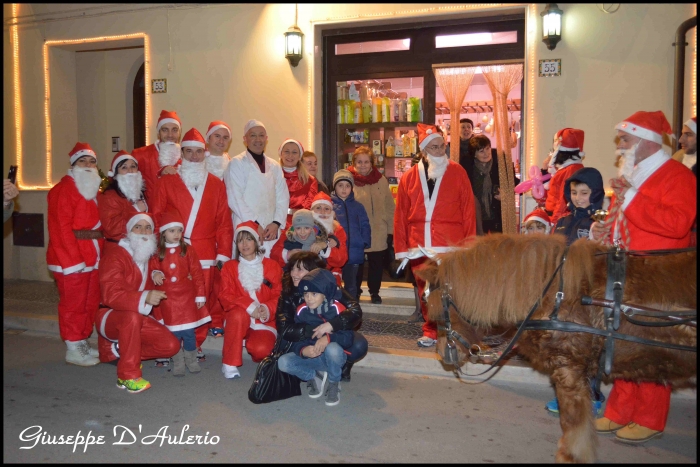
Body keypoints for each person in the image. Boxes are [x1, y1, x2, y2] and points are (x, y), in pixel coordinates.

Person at [591, 110, 697, 443]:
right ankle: (619, 410)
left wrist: (633, 198)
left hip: (659, 276)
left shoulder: (678, 176)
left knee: (651, 347)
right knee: (623, 342)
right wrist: (603, 232)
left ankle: (650, 417)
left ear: (645, 142)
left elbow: (678, 223)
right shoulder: (633, 175)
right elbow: (622, 222)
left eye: (624, 139)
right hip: (629, 272)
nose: (619, 145)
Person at [151, 128, 233, 363]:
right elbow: (157, 217)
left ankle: (194, 343)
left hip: (205, 252)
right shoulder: (167, 182)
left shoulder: (216, 184)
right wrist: (158, 251)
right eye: (189, 152)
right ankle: (167, 344)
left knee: (201, 298)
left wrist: (223, 253)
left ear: (205, 153)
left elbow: (224, 223)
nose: (195, 157)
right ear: (182, 153)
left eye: (199, 152)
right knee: (171, 299)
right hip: (173, 251)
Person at [394, 123, 477, 347]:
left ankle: (452, 330)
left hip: (451, 243)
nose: (440, 151)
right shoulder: (409, 178)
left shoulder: (458, 172)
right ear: (424, 150)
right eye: (434, 147)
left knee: (451, 290)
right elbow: (400, 214)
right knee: (426, 291)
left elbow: (469, 211)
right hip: (419, 244)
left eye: (442, 146)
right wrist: (401, 249)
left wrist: (469, 245)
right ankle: (430, 330)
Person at [95, 212, 180, 393]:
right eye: (138, 227)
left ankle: (119, 350)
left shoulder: (148, 257)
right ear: (129, 231)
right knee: (132, 316)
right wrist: (144, 297)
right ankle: (127, 376)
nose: (143, 231)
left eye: (148, 227)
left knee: (170, 345)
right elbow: (111, 294)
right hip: (109, 316)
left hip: (136, 317)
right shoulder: (115, 255)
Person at [46, 142, 104, 366]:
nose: (88, 165)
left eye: (92, 161)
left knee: (90, 301)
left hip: (93, 254)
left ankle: (82, 341)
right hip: (72, 257)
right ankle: (73, 344)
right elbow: (60, 228)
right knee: (73, 302)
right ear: (73, 165)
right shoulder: (62, 190)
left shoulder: (94, 190)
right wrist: (72, 261)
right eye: (83, 161)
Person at [276, 251, 368, 382]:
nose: (294, 274)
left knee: (358, 344)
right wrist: (311, 331)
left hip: (330, 331)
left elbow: (355, 310)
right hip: (302, 334)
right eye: (292, 269)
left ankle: (341, 365)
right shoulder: (287, 292)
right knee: (282, 345)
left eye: (300, 270)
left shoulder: (327, 286)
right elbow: (283, 327)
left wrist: (332, 324)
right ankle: (315, 369)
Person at [278, 268, 353, 406]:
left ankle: (334, 382)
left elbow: (348, 338)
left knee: (333, 349)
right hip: (313, 357)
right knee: (283, 362)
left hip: (333, 357)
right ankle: (314, 376)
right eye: (306, 294)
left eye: (314, 294)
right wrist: (303, 349)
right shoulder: (302, 310)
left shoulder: (337, 308)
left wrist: (329, 338)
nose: (309, 298)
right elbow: (297, 338)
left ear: (325, 294)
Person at [149, 211, 210, 377]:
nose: (176, 234)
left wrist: (200, 295)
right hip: (169, 299)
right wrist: (155, 273)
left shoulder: (187, 250)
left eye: (179, 231)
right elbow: (152, 266)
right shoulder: (157, 252)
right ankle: (178, 361)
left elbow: (197, 272)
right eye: (172, 230)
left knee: (189, 333)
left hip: (186, 297)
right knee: (174, 333)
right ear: (163, 233)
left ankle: (191, 359)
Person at [218, 221, 282, 379]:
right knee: (237, 315)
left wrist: (266, 308)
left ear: (256, 241)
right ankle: (229, 363)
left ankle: (253, 343)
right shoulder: (230, 267)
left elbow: (279, 295)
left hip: (264, 320)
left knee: (261, 350)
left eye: (248, 239)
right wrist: (249, 306)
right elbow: (225, 295)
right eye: (240, 240)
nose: (244, 244)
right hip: (239, 318)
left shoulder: (272, 266)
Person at [224, 119, 289, 256]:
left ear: (266, 139)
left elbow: (282, 196)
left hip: (271, 230)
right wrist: (254, 223)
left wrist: (276, 223)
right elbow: (235, 198)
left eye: (261, 135)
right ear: (245, 139)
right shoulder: (236, 163)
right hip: (246, 227)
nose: (258, 139)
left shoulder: (275, 166)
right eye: (253, 135)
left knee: (270, 270)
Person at [347, 146, 396, 304]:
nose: (363, 165)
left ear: (372, 163)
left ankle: (374, 292)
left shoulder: (381, 180)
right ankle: (357, 292)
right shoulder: (348, 180)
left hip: (378, 231)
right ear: (354, 162)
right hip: (358, 232)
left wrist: (391, 230)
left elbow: (389, 206)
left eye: (366, 162)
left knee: (376, 265)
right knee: (358, 265)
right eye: (359, 162)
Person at [203, 120, 233, 339]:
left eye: (225, 137)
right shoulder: (196, 161)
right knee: (203, 278)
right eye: (217, 136)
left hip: (226, 225)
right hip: (202, 229)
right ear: (208, 138)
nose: (221, 141)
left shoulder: (232, 163)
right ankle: (200, 318)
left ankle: (216, 318)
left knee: (221, 276)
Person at [465, 134, 518, 234]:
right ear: (474, 154)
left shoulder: (501, 161)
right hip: (477, 215)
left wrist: (506, 194)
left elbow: (513, 183)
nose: (486, 153)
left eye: (488, 148)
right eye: (481, 151)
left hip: (498, 214)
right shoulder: (468, 166)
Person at [331, 169, 371, 300]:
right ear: (334, 186)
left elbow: (365, 225)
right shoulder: (329, 205)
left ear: (352, 188)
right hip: (335, 253)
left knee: (351, 285)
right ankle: (335, 310)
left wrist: (364, 242)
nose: (344, 189)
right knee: (333, 283)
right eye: (340, 185)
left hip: (353, 251)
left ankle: (352, 311)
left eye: (347, 186)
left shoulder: (358, 207)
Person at [98, 151, 148, 255]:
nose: (130, 170)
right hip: (119, 251)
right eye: (124, 167)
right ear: (116, 174)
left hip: (140, 250)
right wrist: (135, 210)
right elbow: (112, 227)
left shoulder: (142, 194)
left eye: (133, 166)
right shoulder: (110, 196)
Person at [132, 110, 182, 203]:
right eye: (165, 130)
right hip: (149, 212)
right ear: (158, 132)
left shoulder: (187, 156)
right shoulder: (140, 155)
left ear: (179, 133)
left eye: (174, 130)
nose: (170, 135)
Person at [541, 128, 586, 226]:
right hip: (555, 217)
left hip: (559, 219)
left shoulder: (571, 170)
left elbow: (563, 200)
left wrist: (554, 223)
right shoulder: (566, 169)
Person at [552, 167, 604, 244]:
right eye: (574, 193)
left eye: (584, 193)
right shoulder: (562, 221)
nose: (577, 198)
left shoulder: (599, 224)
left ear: (595, 195)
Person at [310, 192, 349, 286]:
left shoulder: (338, 230)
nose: (322, 212)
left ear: (332, 212)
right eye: (318, 208)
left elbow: (341, 259)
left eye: (326, 209)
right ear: (311, 210)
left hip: (330, 274)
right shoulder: (303, 227)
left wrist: (326, 248)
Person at [279, 139, 318, 229]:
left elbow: (309, 207)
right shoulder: (272, 177)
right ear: (281, 154)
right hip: (276, 226)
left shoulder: (310, 181)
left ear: (300, 156)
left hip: (300, 226)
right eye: (287, 152)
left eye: (294, 152)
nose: (290, 155)